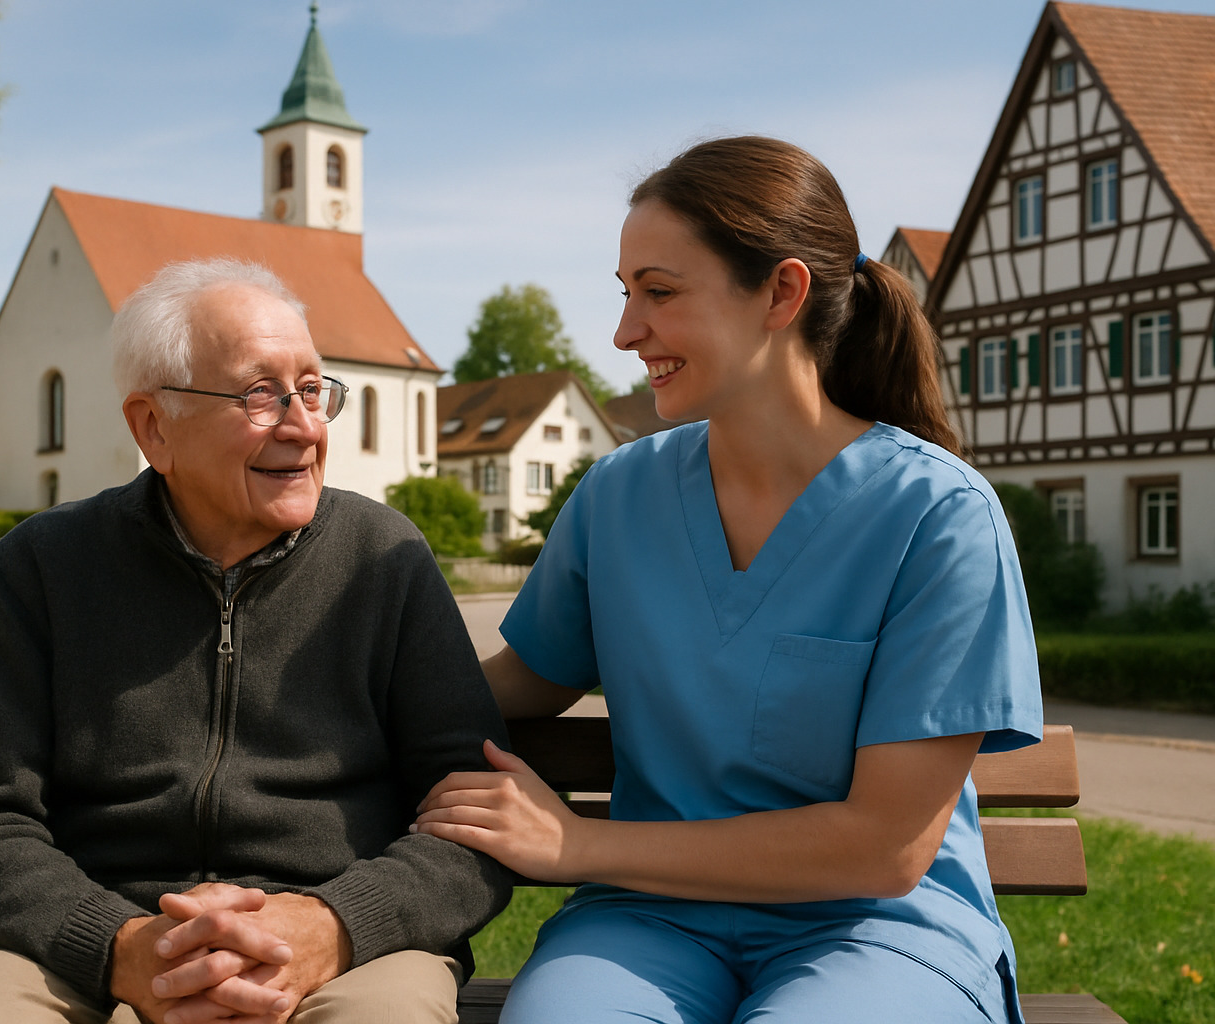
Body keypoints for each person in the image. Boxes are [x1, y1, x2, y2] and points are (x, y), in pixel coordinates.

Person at [413, 136, 1042, 1024]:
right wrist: (358, 704)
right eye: (626, 293)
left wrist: (581, 843)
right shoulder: (620, 494)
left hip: (875, 927)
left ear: (782, 293)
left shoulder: (936, 515)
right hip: (648, 919)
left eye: (659, 293)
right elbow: (534, 677)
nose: (626, 332)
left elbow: (885, 850)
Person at [0, 258, 513, 1024]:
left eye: (313, 390)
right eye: (260, 394)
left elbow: (478, 822)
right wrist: (119, 947)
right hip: (79, 944)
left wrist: (333, 926)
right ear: (154, 427)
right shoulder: (46, 565)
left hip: (342, 950)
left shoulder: (384, 559)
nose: (303, 425)